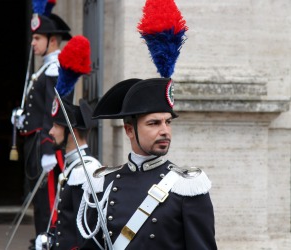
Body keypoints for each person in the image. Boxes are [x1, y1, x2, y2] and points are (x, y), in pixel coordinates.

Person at [78, 77, 218, 249]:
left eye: (168, 122)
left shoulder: (186, 186)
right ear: (130, 130)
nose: (165, 131)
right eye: (154, 123)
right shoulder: (104, 183)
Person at [12, 12, 72, 248]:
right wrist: (21, 118)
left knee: (47, 198)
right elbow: (38, 109)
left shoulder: (54, 69)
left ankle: (49, 238)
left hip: (43, 144)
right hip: (33, 143)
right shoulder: (42, 70)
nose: (32, 43)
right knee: (39, 198)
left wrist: (49, 149)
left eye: (37, 38)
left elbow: (53, 112)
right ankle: (41, 236)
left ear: (53, 40)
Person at [35, 98, 101, 250]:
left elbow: (86, 233)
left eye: (56, 126)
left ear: (72, 132)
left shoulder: (86, 171)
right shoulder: (73, 166)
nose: (50, 131)